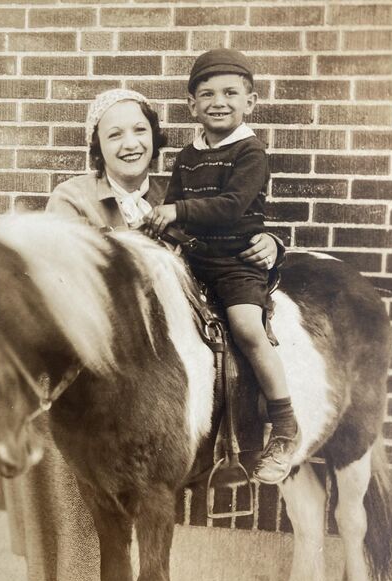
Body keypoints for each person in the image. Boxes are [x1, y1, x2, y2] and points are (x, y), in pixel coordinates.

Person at [5, 87, 283, 581]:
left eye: (139, 130)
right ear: (97, 146)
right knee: (74, 506)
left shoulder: (175, 192)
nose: (130, 143)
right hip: (82, 379)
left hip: (148, 382)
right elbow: (67, 283)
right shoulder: (74, 198)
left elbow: (229, 233)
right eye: (114, 134)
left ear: (156, 137)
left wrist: (272, 242)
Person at [144, 50, 301, 485]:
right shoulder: (186, 156)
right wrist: (160, 236)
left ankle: (285, 426)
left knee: (247, 328)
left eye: (231, 93)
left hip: (236, 262)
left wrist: (176, 212)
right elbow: (175, 216)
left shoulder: (251, 151)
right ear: (191, 105)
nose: (219, 101)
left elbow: (232, 208)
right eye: (207, 93)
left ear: (250, 102)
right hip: (194, 260)